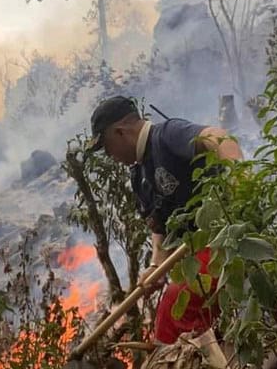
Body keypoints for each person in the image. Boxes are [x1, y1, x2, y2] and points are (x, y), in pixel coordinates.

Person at [87, 96, 243, 344]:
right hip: (194, 256)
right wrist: (154, 266)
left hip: (224, 241)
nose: (111, 156)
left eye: (107, 147)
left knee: (175, 309)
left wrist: (240, 182)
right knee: (170, 318)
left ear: (120, 132)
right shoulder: (139, 176)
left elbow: (219, 137)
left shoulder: (167, 135)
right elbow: (159, 227)